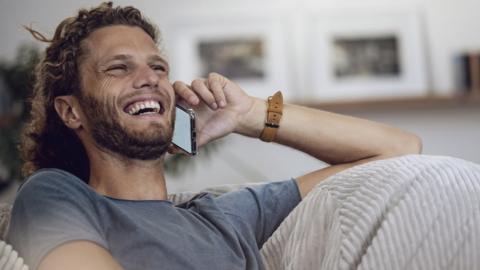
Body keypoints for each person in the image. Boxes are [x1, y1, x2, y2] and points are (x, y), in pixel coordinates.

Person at [6, 2, 422, 270]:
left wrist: (249, 115)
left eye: (158, 68)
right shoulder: (55, 194)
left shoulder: (224, 214)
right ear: (70, 110)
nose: (149, 79)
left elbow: (400, 151)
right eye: (119, 68)